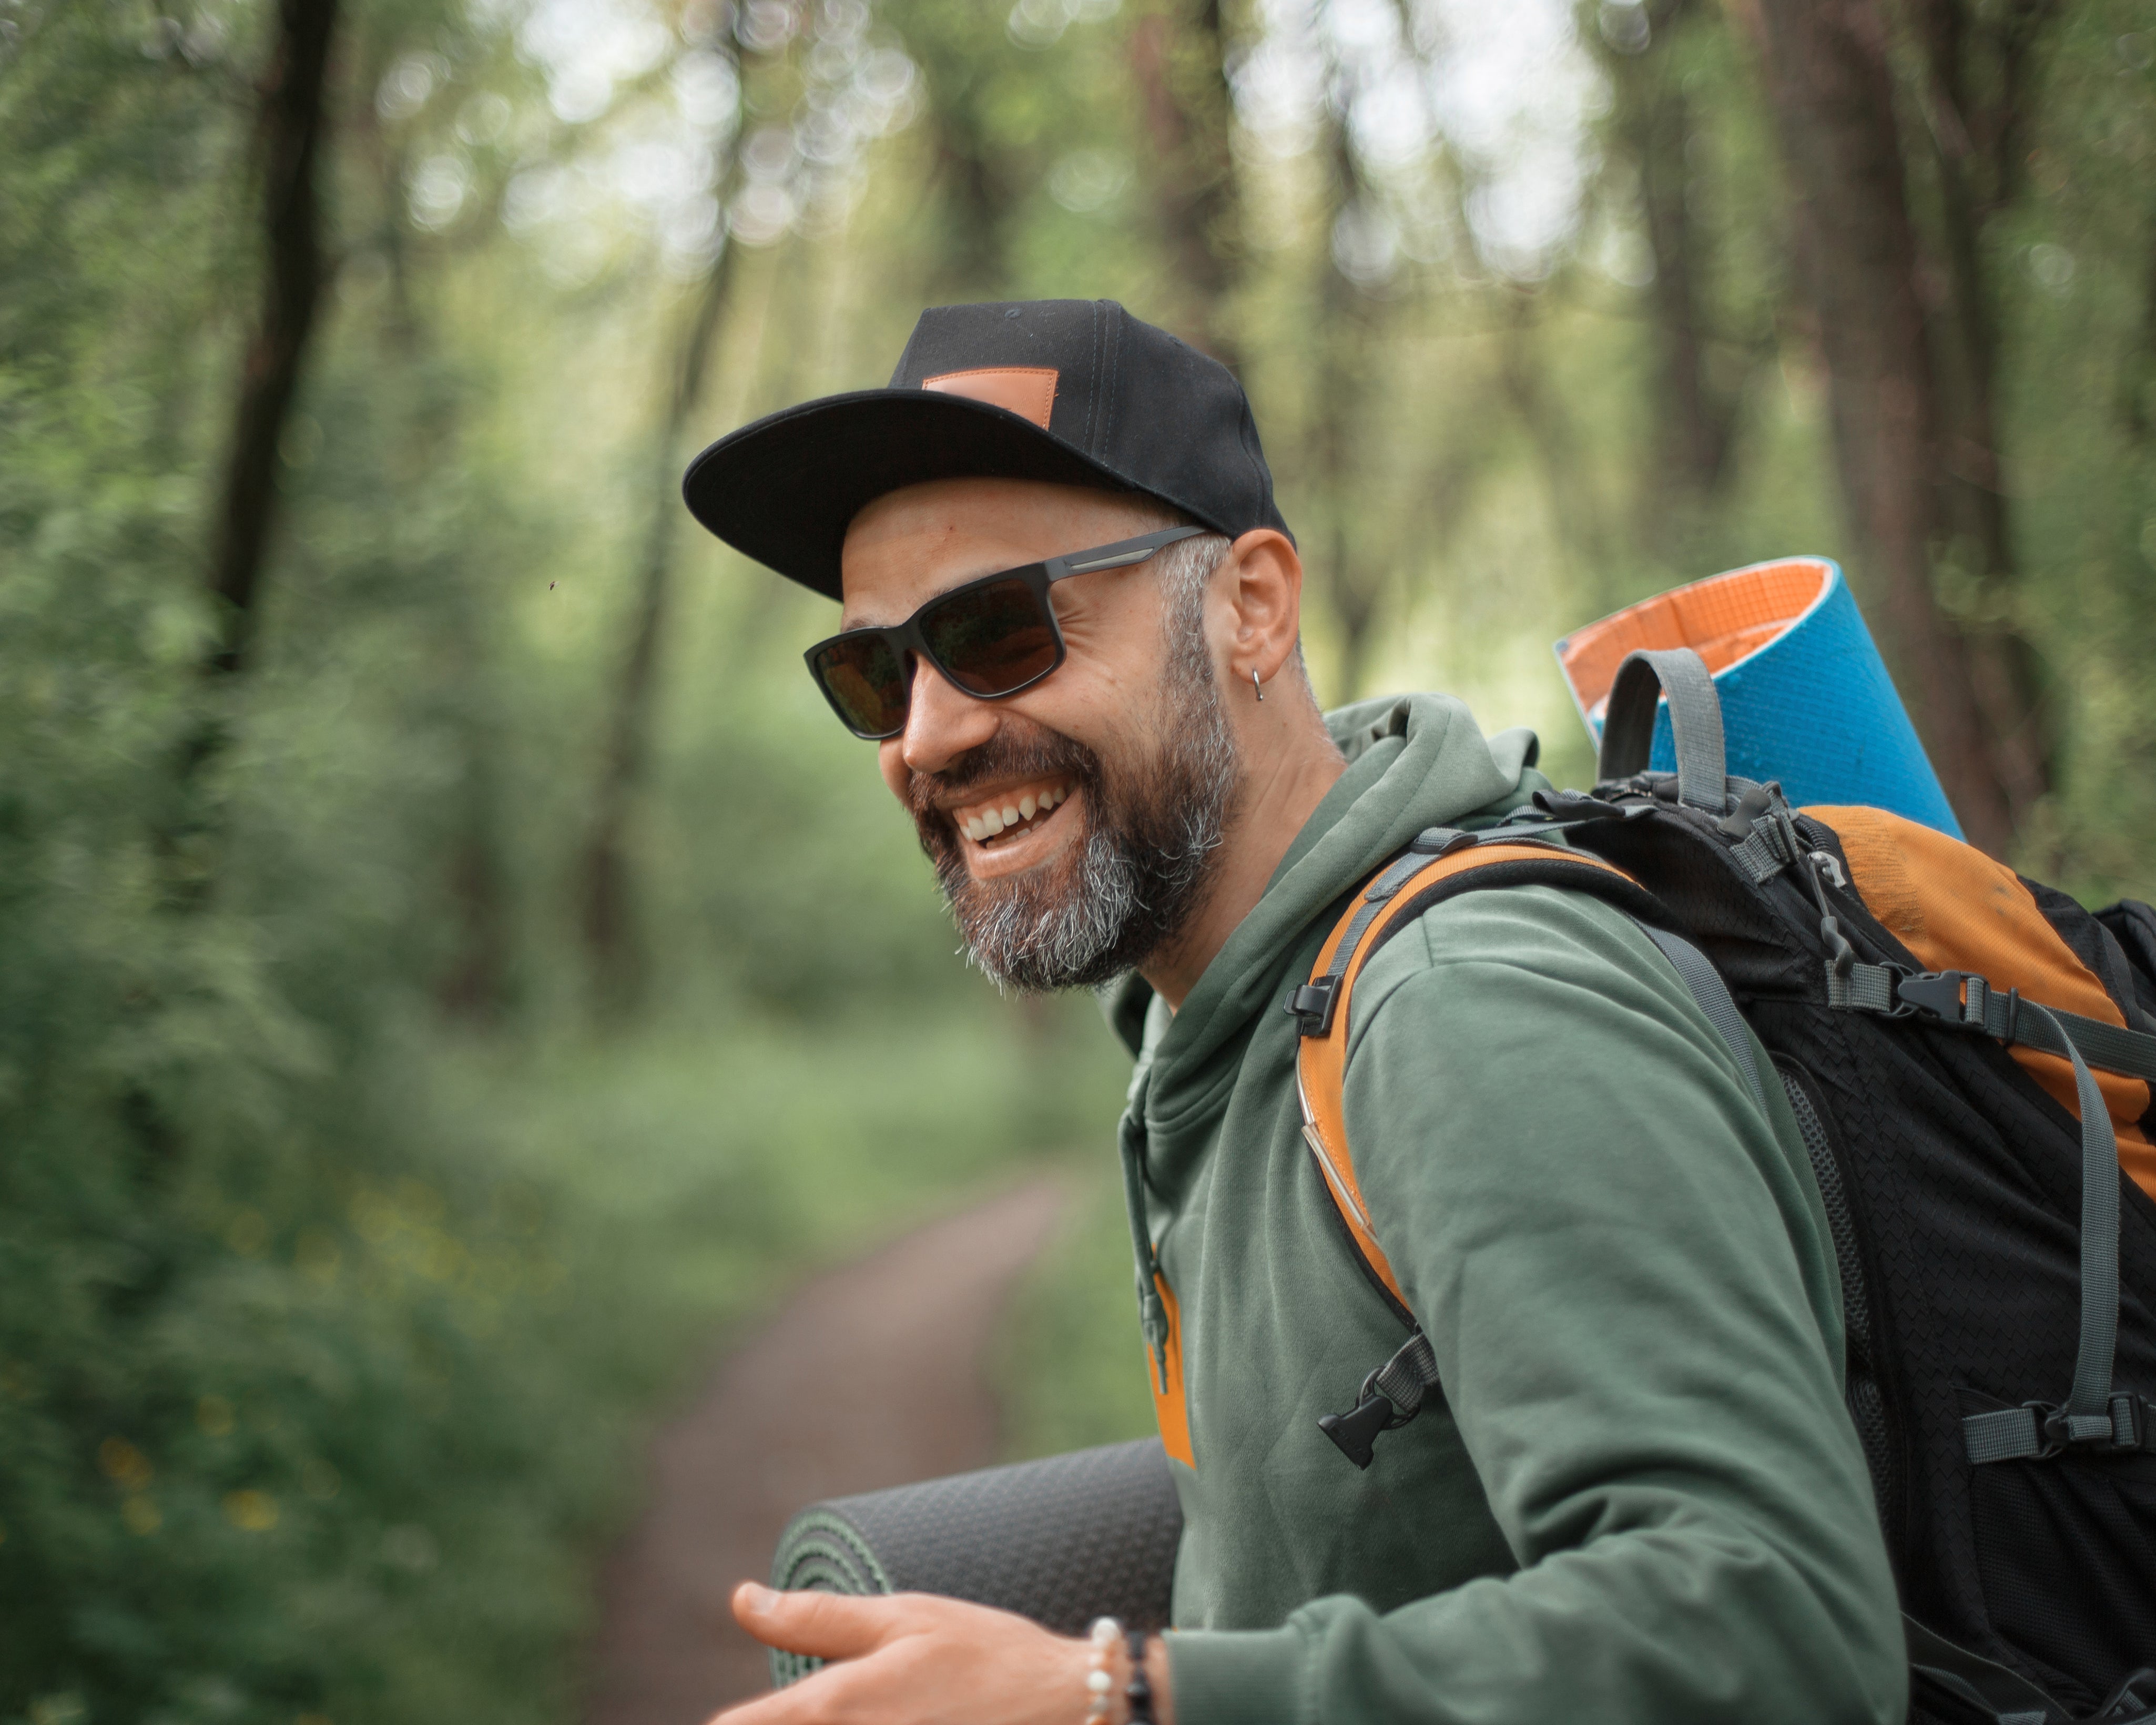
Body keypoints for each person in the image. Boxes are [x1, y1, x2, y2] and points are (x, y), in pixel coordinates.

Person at [680, 299, 1906, 1725]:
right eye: (876, 673)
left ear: (1250, 604)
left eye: (1000, 631)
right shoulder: (1218, 1031)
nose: (928, 734)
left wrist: (1108, 1694)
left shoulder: (1463, 1013)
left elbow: (1778, 1639)